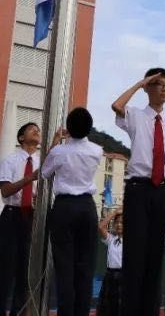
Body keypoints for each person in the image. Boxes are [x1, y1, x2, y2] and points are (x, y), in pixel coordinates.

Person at [111, 68, 165, 316]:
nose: (164, 89)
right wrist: (140, 82)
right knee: (135, 254)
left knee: (155, 255)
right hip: (139, 188)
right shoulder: (135, 115)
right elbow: (116, 105)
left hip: (163, 191)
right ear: (148, 87)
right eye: (158, 83)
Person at [41, 108, 103, 316]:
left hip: (64, 206)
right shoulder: (97, 150)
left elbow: (44, 172)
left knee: (64, 267)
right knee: (85, 266)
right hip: (87, 206)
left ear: (68, 127)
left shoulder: (59, 151)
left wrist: (56, 141)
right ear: (89, 127)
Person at [0, 121, 41, 316]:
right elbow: (5, 190)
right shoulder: (10, 161)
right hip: (11, 216)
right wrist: (29, 179)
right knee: (4, 271)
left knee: (25, 274)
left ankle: (18, 313)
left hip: (31, 218)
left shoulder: (41, 163)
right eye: (32, 128)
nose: (37, 130)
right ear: (21, 138)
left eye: (38, 129)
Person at [97, 208, 124, 316]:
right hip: (110, 276)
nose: (118, 225)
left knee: (121, 306)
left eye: (122, 222)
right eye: (116, 222)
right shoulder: (111, 239)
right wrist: (114, 213)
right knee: (108, 307)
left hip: (123, 276)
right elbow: (100, 227)